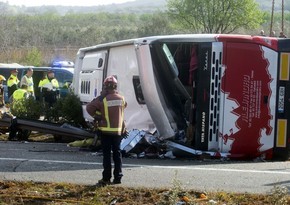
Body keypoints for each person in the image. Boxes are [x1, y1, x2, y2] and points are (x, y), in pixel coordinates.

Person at [86, 75, 127, 186]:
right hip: (118, 132)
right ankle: (118, 177)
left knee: (107, 156)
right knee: (117, 155)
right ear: (115, 86)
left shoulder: (103, 99)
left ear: (105, 86)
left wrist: (97, 114)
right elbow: (122, 113)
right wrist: (124, 127)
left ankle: (106, 178)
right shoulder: (121, 98)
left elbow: (89, 108)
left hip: (106, 132)